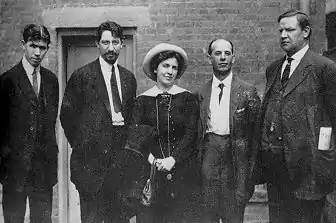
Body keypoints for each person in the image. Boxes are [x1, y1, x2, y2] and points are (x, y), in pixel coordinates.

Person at [260, 9, 336, 222]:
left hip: (309, 170)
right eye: (281, 30)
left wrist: (325, 159)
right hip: (277, 169)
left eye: (290, 30)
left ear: (306, 32)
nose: (283, 35)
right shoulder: (274, 69)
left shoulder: (324, 68)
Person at [60, 21, 137, 223]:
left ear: (122, 45)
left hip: (120, 170)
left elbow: (131, 120)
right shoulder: (82, 77)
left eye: (115, 42)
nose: (111, 48)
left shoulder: (129, 79)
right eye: (105, 42)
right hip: (91, 169)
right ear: (97, 44)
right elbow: (67, 116)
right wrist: (84, 146)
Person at [127, 43, 200, 223]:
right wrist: (153, 160)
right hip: (151, 174)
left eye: (174, 67)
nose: (170, 71)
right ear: (155, 68)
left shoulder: (187, 99)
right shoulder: (142, 101)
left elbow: (191, 134)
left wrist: (173, 159)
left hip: (182, 173)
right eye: (165, 66)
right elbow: (136, 137)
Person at [196, 39, 261, 223]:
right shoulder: (200, 92)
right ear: (209, 59)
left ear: (234, 57)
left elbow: (255, 138)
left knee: (233, 216)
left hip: (234, 163)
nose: (223, 58)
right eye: (217, 53)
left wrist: (249, 177)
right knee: (207, 216)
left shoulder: (247, 91)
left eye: (227, 53)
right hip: (209, 160)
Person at [0, 24, 59, 223]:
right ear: (23, 44)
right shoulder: (7, 80)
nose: (37, 52)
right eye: (33, 46)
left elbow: (50, 123)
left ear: (48, 48)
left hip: (43, 171)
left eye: (42, 48)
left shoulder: (51, 81)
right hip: (15, 171)